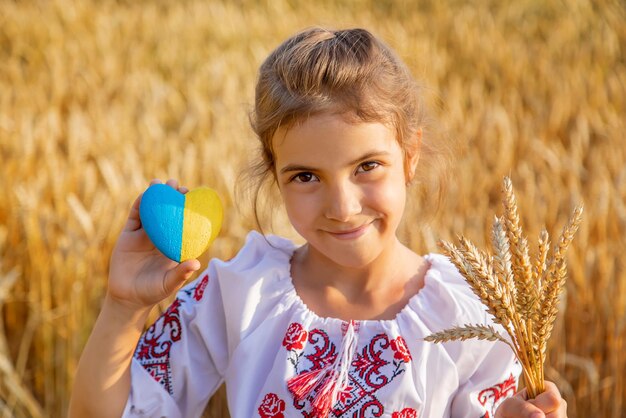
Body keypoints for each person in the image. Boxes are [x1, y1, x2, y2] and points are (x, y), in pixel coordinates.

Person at [69, 27, 567, 418]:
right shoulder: (241, 295)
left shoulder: (468, 316)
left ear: (410, 157)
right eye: (306, 176)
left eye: (367, 166)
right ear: (275, 176)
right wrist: (122, 307)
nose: (342, 206)